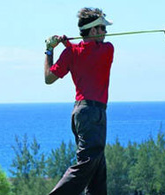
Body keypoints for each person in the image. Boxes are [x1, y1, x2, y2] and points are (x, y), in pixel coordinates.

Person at [44, 7, 114, 195]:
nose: (106, 33)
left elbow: (48, 78)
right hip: (93, 114)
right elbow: (88, 53)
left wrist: (50, 50)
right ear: (93, 31)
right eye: (102, 28)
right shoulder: (108, 49)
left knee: (98, 168)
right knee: (88, 163)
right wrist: (69, 45)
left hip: (81, 113)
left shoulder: (71, 53)